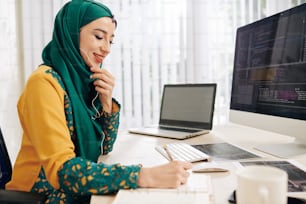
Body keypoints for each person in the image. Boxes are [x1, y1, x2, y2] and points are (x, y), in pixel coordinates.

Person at [6, 0, 192, 203]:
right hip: (42, 194)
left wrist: (105, 103)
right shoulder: (44, 83)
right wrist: (144, 176)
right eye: (98, 37)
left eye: (110, 41)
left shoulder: (80, 84)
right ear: (72, 33)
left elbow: (103, 149)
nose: (106, 49)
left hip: (71, 189)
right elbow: (63, 172)